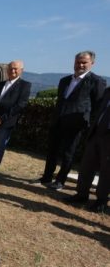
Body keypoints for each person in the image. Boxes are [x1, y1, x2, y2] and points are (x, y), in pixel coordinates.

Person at [35, 51, 106, 190]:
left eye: (84, 62)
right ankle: (47, 176)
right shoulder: (65, 80)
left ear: (92, 63)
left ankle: (60, 181)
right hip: (58, 121)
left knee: (68, 152)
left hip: (76, 124)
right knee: (52, 150)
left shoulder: (96, 81)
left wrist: (90, 125)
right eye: (78, 62)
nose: (80, 65)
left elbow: (98, 106)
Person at [63, 87, 110, 214]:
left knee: (107, 171)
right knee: (86, 165)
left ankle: (101, 201)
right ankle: (81, 194)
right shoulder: (107, 91)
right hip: (96, 133)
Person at [0, 60, 31, 181]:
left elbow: (20, 105)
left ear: (21, 71)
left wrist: (1, 119)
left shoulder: (25, 86)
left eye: (15, 69)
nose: (13, 71)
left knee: (0, 147)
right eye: (10, 68)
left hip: (6, 122)